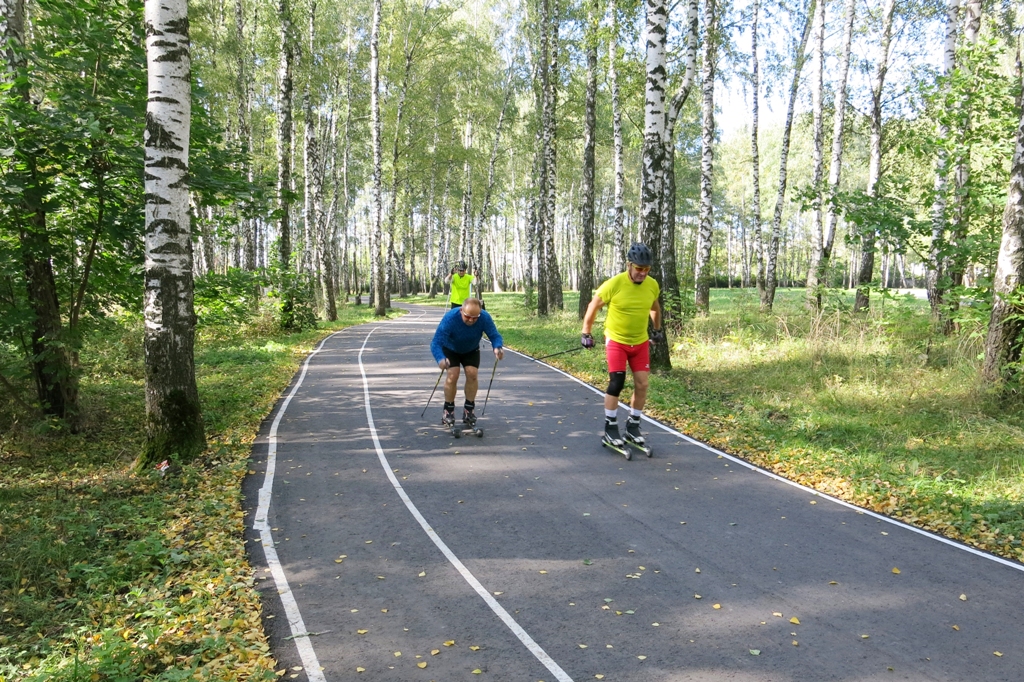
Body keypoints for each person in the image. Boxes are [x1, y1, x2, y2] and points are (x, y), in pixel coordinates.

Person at [580, 242, 664, 451]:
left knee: (642, 384)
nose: (642, 273)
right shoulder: (614, 284)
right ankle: (610, 427)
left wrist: (657, 329)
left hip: (640, 341)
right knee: (617, 382)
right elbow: (593, 306)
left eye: (646, 269)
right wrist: (586, 333)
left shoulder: (652, 285)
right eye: (638, 268)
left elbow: (655, 307)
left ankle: (633, 426)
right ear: (629, 265)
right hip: (617, 341)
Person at [431, 297, 505, 427]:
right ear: (461, 311)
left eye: (475, 317)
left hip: (471, 349)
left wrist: (497, 347)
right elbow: (436, 342)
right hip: (450, 349)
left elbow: (494, 335)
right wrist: (440, 359)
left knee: (472, 374)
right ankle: (448, 411)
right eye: (467, 316)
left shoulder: (484, 317)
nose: (471, 320)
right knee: (453, 375)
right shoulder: (450, 318)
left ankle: (469, 410)